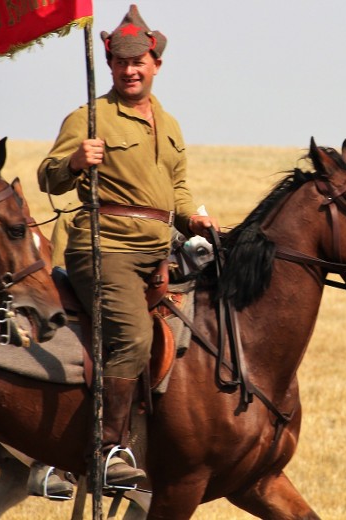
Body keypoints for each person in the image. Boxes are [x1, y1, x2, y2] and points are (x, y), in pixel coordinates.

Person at [37, 4, 218, 487]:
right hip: (105, 249)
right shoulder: (90, 117)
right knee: (133, 335)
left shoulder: (170, 124)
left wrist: (191, 217)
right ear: (111, 64)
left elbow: (176, 188)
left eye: (139, 61)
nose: (130, 70)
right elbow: (48, 178)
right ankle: (107, 448)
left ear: (156, 63)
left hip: (160, 252)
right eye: (121, 62)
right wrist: (75, 161)